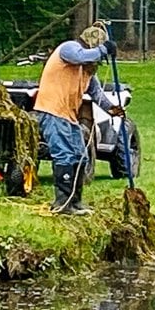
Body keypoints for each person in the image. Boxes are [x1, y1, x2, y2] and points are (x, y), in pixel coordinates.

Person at [34, 20, 121, 215]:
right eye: (97, 55)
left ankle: (75, 201)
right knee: (64, 154)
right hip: (53, 112)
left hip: (69, 116)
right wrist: (104, 49)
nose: (96, 63)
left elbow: (97, 94)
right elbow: (81, 56)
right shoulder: (69, 49)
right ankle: (62, 203)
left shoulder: (87, 70)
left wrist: (112, 109)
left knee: (80, 156)